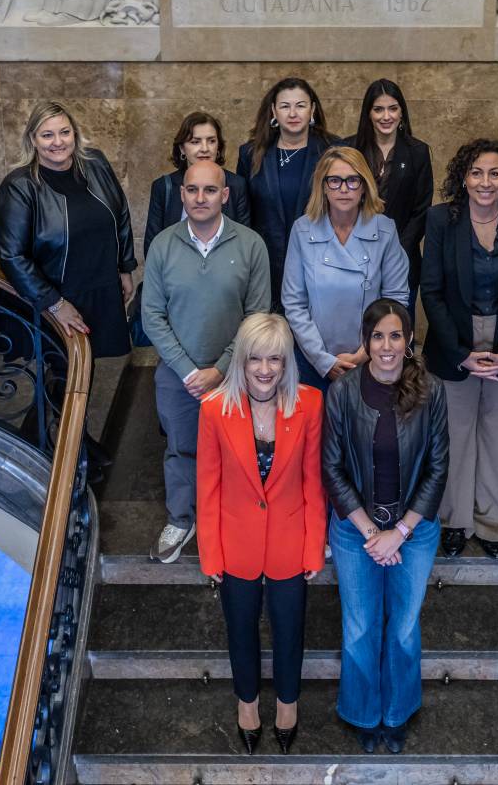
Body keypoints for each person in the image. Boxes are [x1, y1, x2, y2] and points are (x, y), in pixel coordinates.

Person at [322, 298, 448, 755]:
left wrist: (400, 532)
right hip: (357, 530)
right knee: (359, 626)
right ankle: (362, 713)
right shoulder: (342, 392)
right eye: (378, 336)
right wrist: (372, 533)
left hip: (413, 530)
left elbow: (438, 468)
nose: (387, 346)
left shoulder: (430, 391)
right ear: (366, 341)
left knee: (403, 626)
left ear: (409, 339)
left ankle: (396, 714)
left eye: (396, 335)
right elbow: (332, 469)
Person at [197, 313, 326, 756]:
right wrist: (211, 557)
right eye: (256, 359)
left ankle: (287, 705)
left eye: (275, 358)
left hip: (291, 541)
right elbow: (208, 488)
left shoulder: (309, 403)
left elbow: (313, 481)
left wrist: (314, 547)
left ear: (287, 361)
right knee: (240, 630)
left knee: (290, 629)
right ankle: (247, 705)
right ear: (242, 361)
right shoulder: (214, 409)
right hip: (236, 546)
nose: (265, 369)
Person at [142, 161, 272, 563]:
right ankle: (181, 520)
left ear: (225, 195)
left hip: (236, 376)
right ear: (181, 194)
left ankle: (232, 523)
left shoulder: (251, 245)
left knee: (239, 452)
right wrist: (187, 369)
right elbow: (152, 315)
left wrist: (222, 368)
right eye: (193, 190)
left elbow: (258, 314)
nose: (201, 198)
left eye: (210, 190)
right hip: (177, 377)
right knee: (181, 450)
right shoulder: (163, 244)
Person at [421, 139, 498, 560]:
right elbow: (431, 290)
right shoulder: (440, 220)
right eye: (476, 173)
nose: (485, 182)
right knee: (454, 434)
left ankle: (494, 522)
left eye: (494, 173)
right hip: (454, 341)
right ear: (463, 177)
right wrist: (460, 353)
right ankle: (454, 520)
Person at [0, 100, 136, 459]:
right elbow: (12, 255)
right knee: (66, 370)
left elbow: (119, 214)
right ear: (33, 140)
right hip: (53, 296)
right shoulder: (20, 187)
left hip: (97, 284)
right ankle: (71, 449)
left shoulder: (96, 164)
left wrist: (125, 266)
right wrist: (55, 304)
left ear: (75, 132)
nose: (57, 142)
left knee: (83, 369)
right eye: (47, 135)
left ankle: (63, 441)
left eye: (64, 132)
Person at [282, 147, 410, 390]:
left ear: (364, 186)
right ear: (323, 186)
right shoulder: (302, 229)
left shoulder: (384, 230)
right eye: (335, 181)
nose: (343, 189)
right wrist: (324, 360)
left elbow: (396, 299)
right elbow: (294, 304)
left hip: (373, 358)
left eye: (352, 180)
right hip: (313, 362)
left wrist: (366, 352)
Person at [237, 77, 339, 310]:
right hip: (266, 263)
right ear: (274, 110)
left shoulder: (333, 150)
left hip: (320, 260)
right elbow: (243, 214)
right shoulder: (251, 153)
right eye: (285, 106)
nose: (293, 113)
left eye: (300, 105)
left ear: (312, 109)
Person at [347, 79, 433, 315]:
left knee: (398, 330)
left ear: (401, 112)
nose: (386, 116)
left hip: (403, 258)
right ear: (368, 113)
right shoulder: (349, 149)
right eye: (378, 109)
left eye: (392, 108)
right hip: (352, 258)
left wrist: (394, 251)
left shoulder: (417, 151)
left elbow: (422, 209)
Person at [144, 111, 251, 257]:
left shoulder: (237, 185)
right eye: (195, 142)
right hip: (175, 273)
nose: (205, 148)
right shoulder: (164, 187)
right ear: (182, 148)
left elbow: (244, 243)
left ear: (218, 147)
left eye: (211, 141)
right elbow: (152, 246)